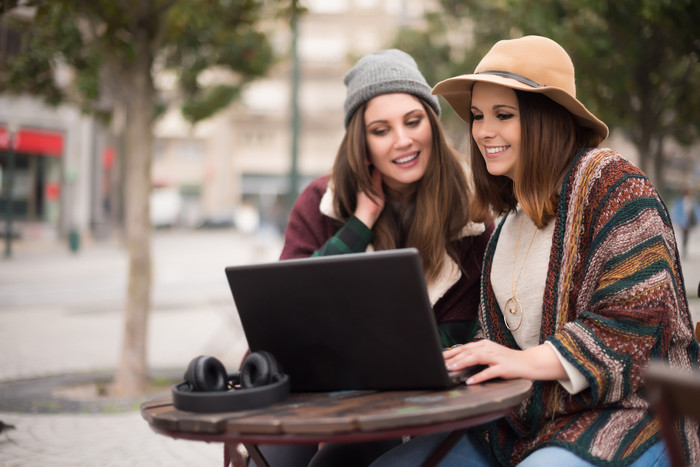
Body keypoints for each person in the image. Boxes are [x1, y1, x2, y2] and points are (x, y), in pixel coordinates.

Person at [371, 35, 700, 466]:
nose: (484, 130)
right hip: (519, 427)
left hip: (631, 417)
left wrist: (516, 360)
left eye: (503, 115)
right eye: (477, 116)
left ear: (546, 117)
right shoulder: (507, 223)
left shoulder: (614, 185)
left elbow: (629, 327)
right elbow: (495, 348)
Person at [250, 49, 494, 467]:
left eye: (413, 121)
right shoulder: (319, 203)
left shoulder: (472, 214)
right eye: (381, 130)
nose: (402, 140)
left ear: (432, 125)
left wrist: (390, 357)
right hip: (316, 397)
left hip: (427, 409)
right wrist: (359, 223)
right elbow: (289, 308)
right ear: (362, 143)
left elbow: (470, 333)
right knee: (271, 459)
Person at [671, 187, 700, 259]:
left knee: (686, 235)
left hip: (689, 222)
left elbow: (696, 211)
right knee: (684, 235)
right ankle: (684, 249)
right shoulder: (679, 201)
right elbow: (676, 211)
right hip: (682, 222)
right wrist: (677, 220)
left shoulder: (692, 201)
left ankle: (684, 249)